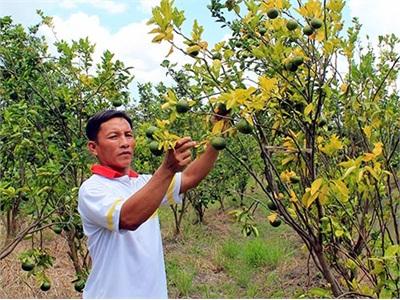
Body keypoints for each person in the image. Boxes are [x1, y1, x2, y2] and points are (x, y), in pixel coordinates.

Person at [78, 109, 219, 298]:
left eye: (128, 135)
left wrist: (218, 133)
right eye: (114, 137)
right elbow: (128, 218)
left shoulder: (144, 183)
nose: (125, 143)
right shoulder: (92, 189)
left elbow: (190, 177)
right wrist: (168, 168)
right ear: (93, 147)